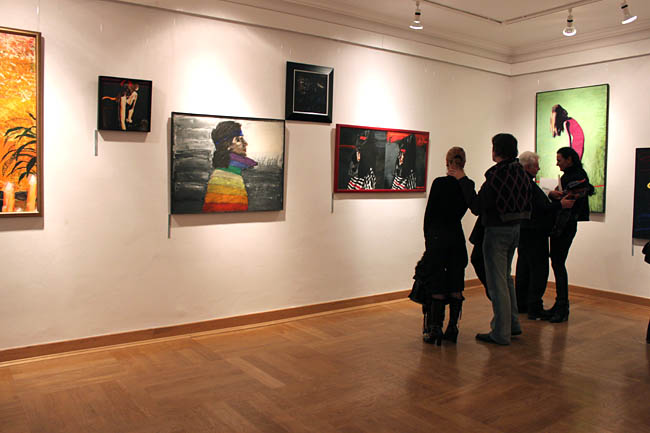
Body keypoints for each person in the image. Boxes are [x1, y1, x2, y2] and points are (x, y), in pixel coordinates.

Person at [451, 133, 532, 346]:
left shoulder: (497, 175)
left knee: (497, 284)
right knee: (505, 279)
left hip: (497, 231)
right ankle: (512, 324)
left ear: (496, 150)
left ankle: (501, 332)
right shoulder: (520, 171)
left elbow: (477, 206)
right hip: (515, 229)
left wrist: (463, 180)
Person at [411, 147, 470, 346]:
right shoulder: (467, 184)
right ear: (463, 163)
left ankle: (435, 328)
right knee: (456, 283)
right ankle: (452, 328)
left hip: (438, 238)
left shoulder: (439, 183)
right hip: (456, 237)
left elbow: (430, 215)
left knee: (436, 283)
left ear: (447, 162)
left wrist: (429, 239)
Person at [515, 151, 574, 320]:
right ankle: (534, 307)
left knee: (524, 267)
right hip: (535, 232)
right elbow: (540, 208)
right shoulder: (527, 183)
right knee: (538, 270)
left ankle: (522, 303)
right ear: (528, 166)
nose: (538, 168)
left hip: (525, 231)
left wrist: (549, 195)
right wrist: (560, 205)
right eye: (536, 166)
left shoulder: (521, 181)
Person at [546, 147, 594, 322]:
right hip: (563, 225)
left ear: (569, 160)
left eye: (559, 160)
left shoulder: (577, 177)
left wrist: (554, 195)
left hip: (565, 225)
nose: (557, 163)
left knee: (558, 263)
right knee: (557, 262)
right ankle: (560, 304)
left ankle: (562, 306)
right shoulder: (574, 176)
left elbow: (571, 200)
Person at [202, 121, 258, 212]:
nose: (245, 143)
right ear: (227, 145)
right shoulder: (225, 176)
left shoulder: (233, 170)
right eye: (238, 140)